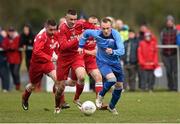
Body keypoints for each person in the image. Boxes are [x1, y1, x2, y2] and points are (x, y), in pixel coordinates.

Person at [78, 18, 125, 115]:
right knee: (112, 80)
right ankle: (100, 95)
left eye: (108, 28)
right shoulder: (96, 33)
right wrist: (81, 46)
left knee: (119, 86)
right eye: (103, 28)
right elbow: (86, 33)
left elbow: (122, 50)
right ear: (100, 27)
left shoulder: (116, 35)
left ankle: (111, 107)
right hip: (102, 62)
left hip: (115, 63)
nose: (106, 31)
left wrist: (113, 52)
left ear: (111, 27)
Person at [55, 9, 96, 113]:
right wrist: (78, 39)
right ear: (66, 18)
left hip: (76, 55)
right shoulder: (61, 29)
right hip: (63, 58)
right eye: (71, 19)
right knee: (60, 88)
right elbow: (64, 47)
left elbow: (94, 27)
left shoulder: (80, 23)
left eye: (75, 19)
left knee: (82, 77)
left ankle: (76, 98)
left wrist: (107, 32)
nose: (73, 22)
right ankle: (57, 106)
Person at [21, 19, 60, 112]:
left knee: (57, 79)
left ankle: (58, 105)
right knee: (33, 86)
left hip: (47, 63)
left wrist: (57, 54)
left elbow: (57, 45)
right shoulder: (41, 36)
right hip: (36, 64)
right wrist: (50, 57)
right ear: (45, 28)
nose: (53, 32)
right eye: (51, 30)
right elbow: (36, 51)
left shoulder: (55, 34)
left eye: (55, 29)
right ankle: (25, 98)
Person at [160, 15, 177, 91]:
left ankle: (176, 87)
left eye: (170, 21)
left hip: (175, 54)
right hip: (166, 55)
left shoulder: (177, 31)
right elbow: (161, 43)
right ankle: (170, 87)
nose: (169, 23)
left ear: (173, 22)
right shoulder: (163, 32)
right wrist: (162, 56)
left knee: (175, 72)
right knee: (168, 72)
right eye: (168, 21)